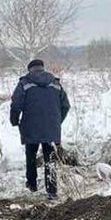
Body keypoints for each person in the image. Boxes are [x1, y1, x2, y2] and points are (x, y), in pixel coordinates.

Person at [9, 59, 70, 199]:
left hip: (31, 127)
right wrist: (56, 122)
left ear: (30, 69)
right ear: (42, 68)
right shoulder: (55, 83)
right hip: (51, 128)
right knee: (50, 159)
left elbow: (16, 105)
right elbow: (66, 106)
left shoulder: (24, 83)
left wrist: (14, 120)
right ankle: (52, 190)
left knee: (30, 156)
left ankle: (32, 185)